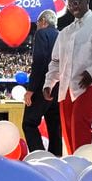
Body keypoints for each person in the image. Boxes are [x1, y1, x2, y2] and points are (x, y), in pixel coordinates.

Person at [43, 0, 92, 153]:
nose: (74, 6)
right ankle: (73, 166)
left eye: (77, 2)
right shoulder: (65, 32)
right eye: (70, 4)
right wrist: (49, 83)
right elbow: (56, 62)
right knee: (68, 130)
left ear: (86, 2)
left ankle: (83, 165)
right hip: (68, 87)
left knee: (80, 124)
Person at [22, 9, 62, 155]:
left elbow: (39, 61)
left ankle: (39, 157)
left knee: (29, 123)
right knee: (55, 125)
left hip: (43, 86)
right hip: (59, 86)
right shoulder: (61, 35)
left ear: (43, 22)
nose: (37, 26)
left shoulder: (42, 33)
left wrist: (31, 89)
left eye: (37, 23)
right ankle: (56, 157)